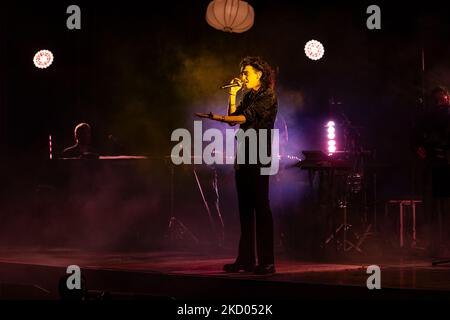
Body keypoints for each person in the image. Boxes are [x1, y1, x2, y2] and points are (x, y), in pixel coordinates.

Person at [196, 56, 278, 274]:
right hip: (244, 154)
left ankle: (267, 262)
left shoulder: (267, 95)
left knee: (261, 208)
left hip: (260, 154)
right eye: (242, 73)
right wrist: (232, 94)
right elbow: (234, 118)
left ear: (259, 74)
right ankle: (246, 259)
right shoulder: (248, 95)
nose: (243, 77)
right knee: (245, 210)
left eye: (247, 73)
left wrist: (217, 118)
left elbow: (244, 118)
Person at [411, 86, 450, 254]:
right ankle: (443, 245)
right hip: (443, 164)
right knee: (444, 206)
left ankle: (435, 245)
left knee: (434, 207)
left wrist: (419, 148)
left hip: (433, 165)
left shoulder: (426, 117)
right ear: (444, 98)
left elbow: (415, 138)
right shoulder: (445, 114)